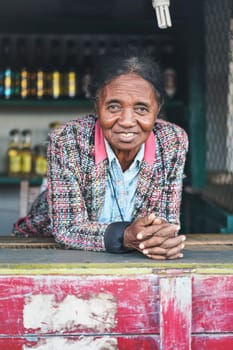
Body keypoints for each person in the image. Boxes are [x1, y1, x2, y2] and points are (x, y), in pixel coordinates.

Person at [12, 51, 188, 260]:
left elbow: (166, 222)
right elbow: (67, 229)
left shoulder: (172, 141)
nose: (127, 121)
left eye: (141, 109)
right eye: (114, 107)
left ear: (157, 109)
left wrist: (160, 238)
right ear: (97, 106)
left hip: (134, 256)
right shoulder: (67, 140)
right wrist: (125, 235)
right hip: (49, 250)